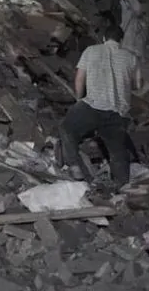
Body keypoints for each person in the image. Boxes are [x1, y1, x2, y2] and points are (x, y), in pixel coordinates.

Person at [60, 21, 140, 187]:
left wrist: (79, 100)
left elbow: (80, 79)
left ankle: (74, 166)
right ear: (121, 40)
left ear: (104, 38)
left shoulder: (91, 51)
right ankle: (123, 187)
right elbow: (137, 85)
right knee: (117, 151)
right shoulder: (131, 57)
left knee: (67, 128)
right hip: (118, 111)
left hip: (93, 106)